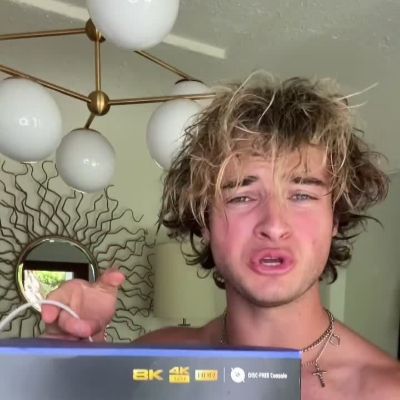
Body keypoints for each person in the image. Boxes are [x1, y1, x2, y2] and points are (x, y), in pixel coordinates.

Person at [42, 73, 400, 399]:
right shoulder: (153, 367)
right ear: (204, 220)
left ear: (336, 217)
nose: (274, 225)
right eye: (241, 196)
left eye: (302, 195)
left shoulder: (387, 390)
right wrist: (77, 375)